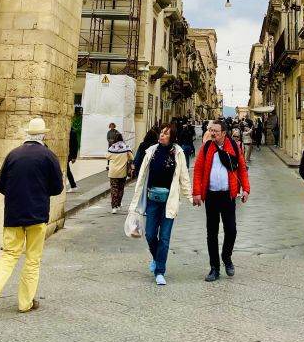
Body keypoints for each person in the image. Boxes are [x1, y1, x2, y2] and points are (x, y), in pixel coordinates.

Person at [0, 116, 64, 318]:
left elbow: (0, 185)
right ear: (43, 135)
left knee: (9, 255)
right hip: (37, 214)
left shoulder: (13, 154)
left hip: (13, 214)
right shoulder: (49, 156)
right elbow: (57, 187)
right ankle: (25, 302)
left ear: (28, 134)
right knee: (32, 259)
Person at [129, 122, 191, 285]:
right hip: (152, 200)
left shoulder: (178, 153)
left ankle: (160, 271)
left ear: (172, 137)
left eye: (165, 133)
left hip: (169, 200)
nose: (162, 135)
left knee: (164, 237)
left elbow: (184, 177)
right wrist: (136, 197)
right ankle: (157, 259)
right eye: (161, 132)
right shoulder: (151, 151)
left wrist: (190, 196)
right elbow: (142, 175)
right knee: (150, 234)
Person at [192, 119, 250, 281]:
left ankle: (226, 256)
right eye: (211, 130)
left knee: (231, 230)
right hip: (211, 195)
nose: (212, 133)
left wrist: (246, 189)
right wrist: (196, 192)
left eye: (216, 131)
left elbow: (242, 169)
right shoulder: (206, 148)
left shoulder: (234, 147)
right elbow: (198, 170)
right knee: (212, 233)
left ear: (224, 133)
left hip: (228, 196)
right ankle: (214, 268)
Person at [107, 132, 133, 212]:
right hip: (122, 172)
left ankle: (114, 207)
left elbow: (107, 156)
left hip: (113, 172)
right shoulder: (126, 147)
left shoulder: (112, 147)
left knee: (114, 189)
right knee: (121, 188)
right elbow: (132, 158)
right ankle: (118, 204)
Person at [67, 122, 78, 190]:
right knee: (67, 170)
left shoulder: (72, 133)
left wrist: (74, 157)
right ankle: (73, 185)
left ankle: (73, 186)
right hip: (68, 153)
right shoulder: (68, 132)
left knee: (67, 170)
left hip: (70, 154)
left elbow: (75, 145)